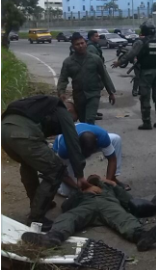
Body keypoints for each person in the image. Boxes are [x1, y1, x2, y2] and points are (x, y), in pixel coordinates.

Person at [1, 96, 90, 230]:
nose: (73, 122)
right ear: (70, 109)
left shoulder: (41, 105)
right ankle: (36, 218)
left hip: (4, 131)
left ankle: (37, 204)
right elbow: (73, 142)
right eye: (75, 118)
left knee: (28, 164)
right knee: (56, 169)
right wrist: (79, 174)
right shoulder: (61, 109)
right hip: (23, 133)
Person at [21, 175, 156, 252]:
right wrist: (79, 191)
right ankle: (53, 238)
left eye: (95, 176)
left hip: (108, 204)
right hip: (87, 206)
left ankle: (142, 237)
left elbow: (128, 201)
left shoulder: (108, 189)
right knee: (68, 218)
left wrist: (114, 186)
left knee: (123, 218)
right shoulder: (81, 192)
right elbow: (66, 207)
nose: (92, 177)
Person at [112, 21, 156, 130]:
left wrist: (119, 62)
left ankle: (147, 122)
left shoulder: (140, 42)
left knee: (145, 97)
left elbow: (130, 54)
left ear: (144, 31)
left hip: (146, 72)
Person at [53, 122, 129, 195]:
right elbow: (61, 172)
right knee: (67, 192)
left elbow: (112, 159)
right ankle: (54, 181)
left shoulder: (102, 136)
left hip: (88, 140)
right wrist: (81, 189)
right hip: (63, 150)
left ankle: (113, 178)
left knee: (116, 139)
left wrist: (107, 184)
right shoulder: (64, 149)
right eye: (84, 154)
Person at [58, 32, 116, 125]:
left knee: (90, 119)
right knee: (82, 120)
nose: (80, 46)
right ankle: (86, 138)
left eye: (82, 43)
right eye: (77, 44)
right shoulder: (68, 62)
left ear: (85, 43)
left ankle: (91, 138)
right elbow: (63, 79)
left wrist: (111, 92)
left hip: (93, 94)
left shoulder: (95, 59)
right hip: (78, 96)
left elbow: (104, 75)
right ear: (73, 47)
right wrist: (61, 92)